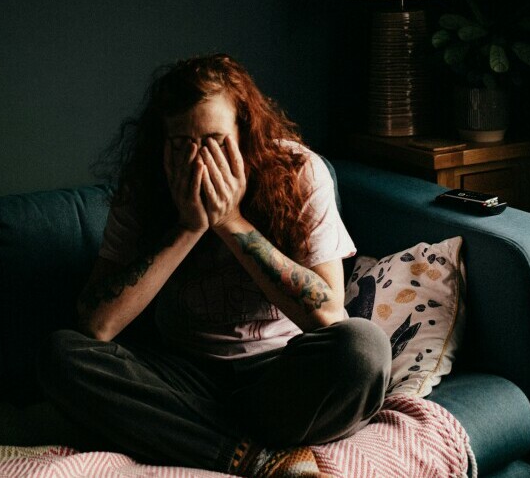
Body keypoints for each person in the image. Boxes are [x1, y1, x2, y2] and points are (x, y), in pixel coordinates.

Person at [38, 54, 390, 478]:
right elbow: (97, 326)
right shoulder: (144, 186)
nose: (200, 161)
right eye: (182, 144)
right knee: (60, 354)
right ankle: (249, 458)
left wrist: (230, 222)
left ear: (245, 133)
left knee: (364, 349)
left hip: (278, 374)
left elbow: (330, 314)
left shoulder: (299, 172)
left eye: (215, 142)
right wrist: (189, 227)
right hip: (181, 375)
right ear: (161, 143)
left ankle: (189, 436)